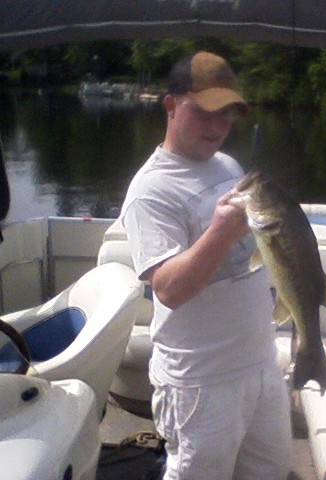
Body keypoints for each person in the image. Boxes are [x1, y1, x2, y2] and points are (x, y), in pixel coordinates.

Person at [120, 51, 292, 479]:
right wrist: (218, 232)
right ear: (171, 105)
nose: (218, 127)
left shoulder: (228, 166)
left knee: (270, 473)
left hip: (260, 364)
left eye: (228, 115)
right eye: (206, 112)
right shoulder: (151, 191)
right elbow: (168, 289)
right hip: (201, 383)